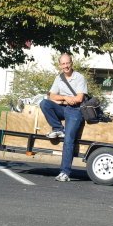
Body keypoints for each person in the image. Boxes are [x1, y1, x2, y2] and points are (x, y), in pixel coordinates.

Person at [39, 53, 87, 182]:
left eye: (68, 63)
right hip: (64, 107)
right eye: (63, 64)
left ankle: (65, 172)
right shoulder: (58, 78)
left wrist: (67, 100)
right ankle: (58, 127)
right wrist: (65, 98)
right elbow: (52, 96)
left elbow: (79, 98)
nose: (66, 66)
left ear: (72, 63)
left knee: (68, 139)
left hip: (75, 111)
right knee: (44, 103)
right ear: (60, 65)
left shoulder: (79, 78)